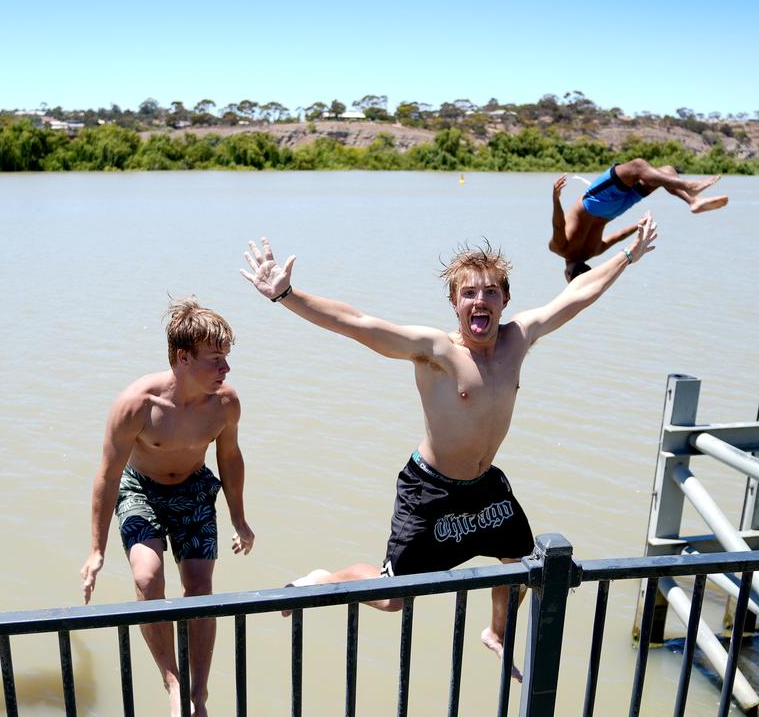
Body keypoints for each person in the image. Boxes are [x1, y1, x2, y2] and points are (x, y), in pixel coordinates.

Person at [239, 224, 656, 679]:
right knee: (392, 597)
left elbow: (575, 296)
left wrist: (627, 257)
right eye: (470, 293)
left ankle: (496, 632)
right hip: (429, 490)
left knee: (521, 560)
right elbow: (359, 324)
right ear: (454, 303)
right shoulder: (435, 350)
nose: (481, 301)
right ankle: (327, 579)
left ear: (505, 301)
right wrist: (287, 295)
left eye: (491, 292)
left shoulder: (519, 338)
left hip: (484, 486)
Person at [80, 298, 255, 717]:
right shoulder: (137, 405)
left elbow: (229, 458)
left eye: (226, 359)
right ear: (182, 357)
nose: (225, 370)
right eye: (215, 360)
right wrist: (96, 549)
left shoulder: (225, 404)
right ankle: (172, 681)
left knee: (199, 589)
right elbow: (107, 474)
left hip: (193, 490)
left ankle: (199, 694)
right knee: (146, 577)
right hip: (140, 489)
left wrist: (239, 518)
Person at [550, 159, 724, 281]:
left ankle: (694, 201)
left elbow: (618, 235)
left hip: (615, 211)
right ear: (566, 273)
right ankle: (690, 189)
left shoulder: (594, 252)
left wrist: (638, 225)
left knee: (667, 172)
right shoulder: (560, 248)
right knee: (638, 166)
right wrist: (556, 199)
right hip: (594, 204)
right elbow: (559, 226)